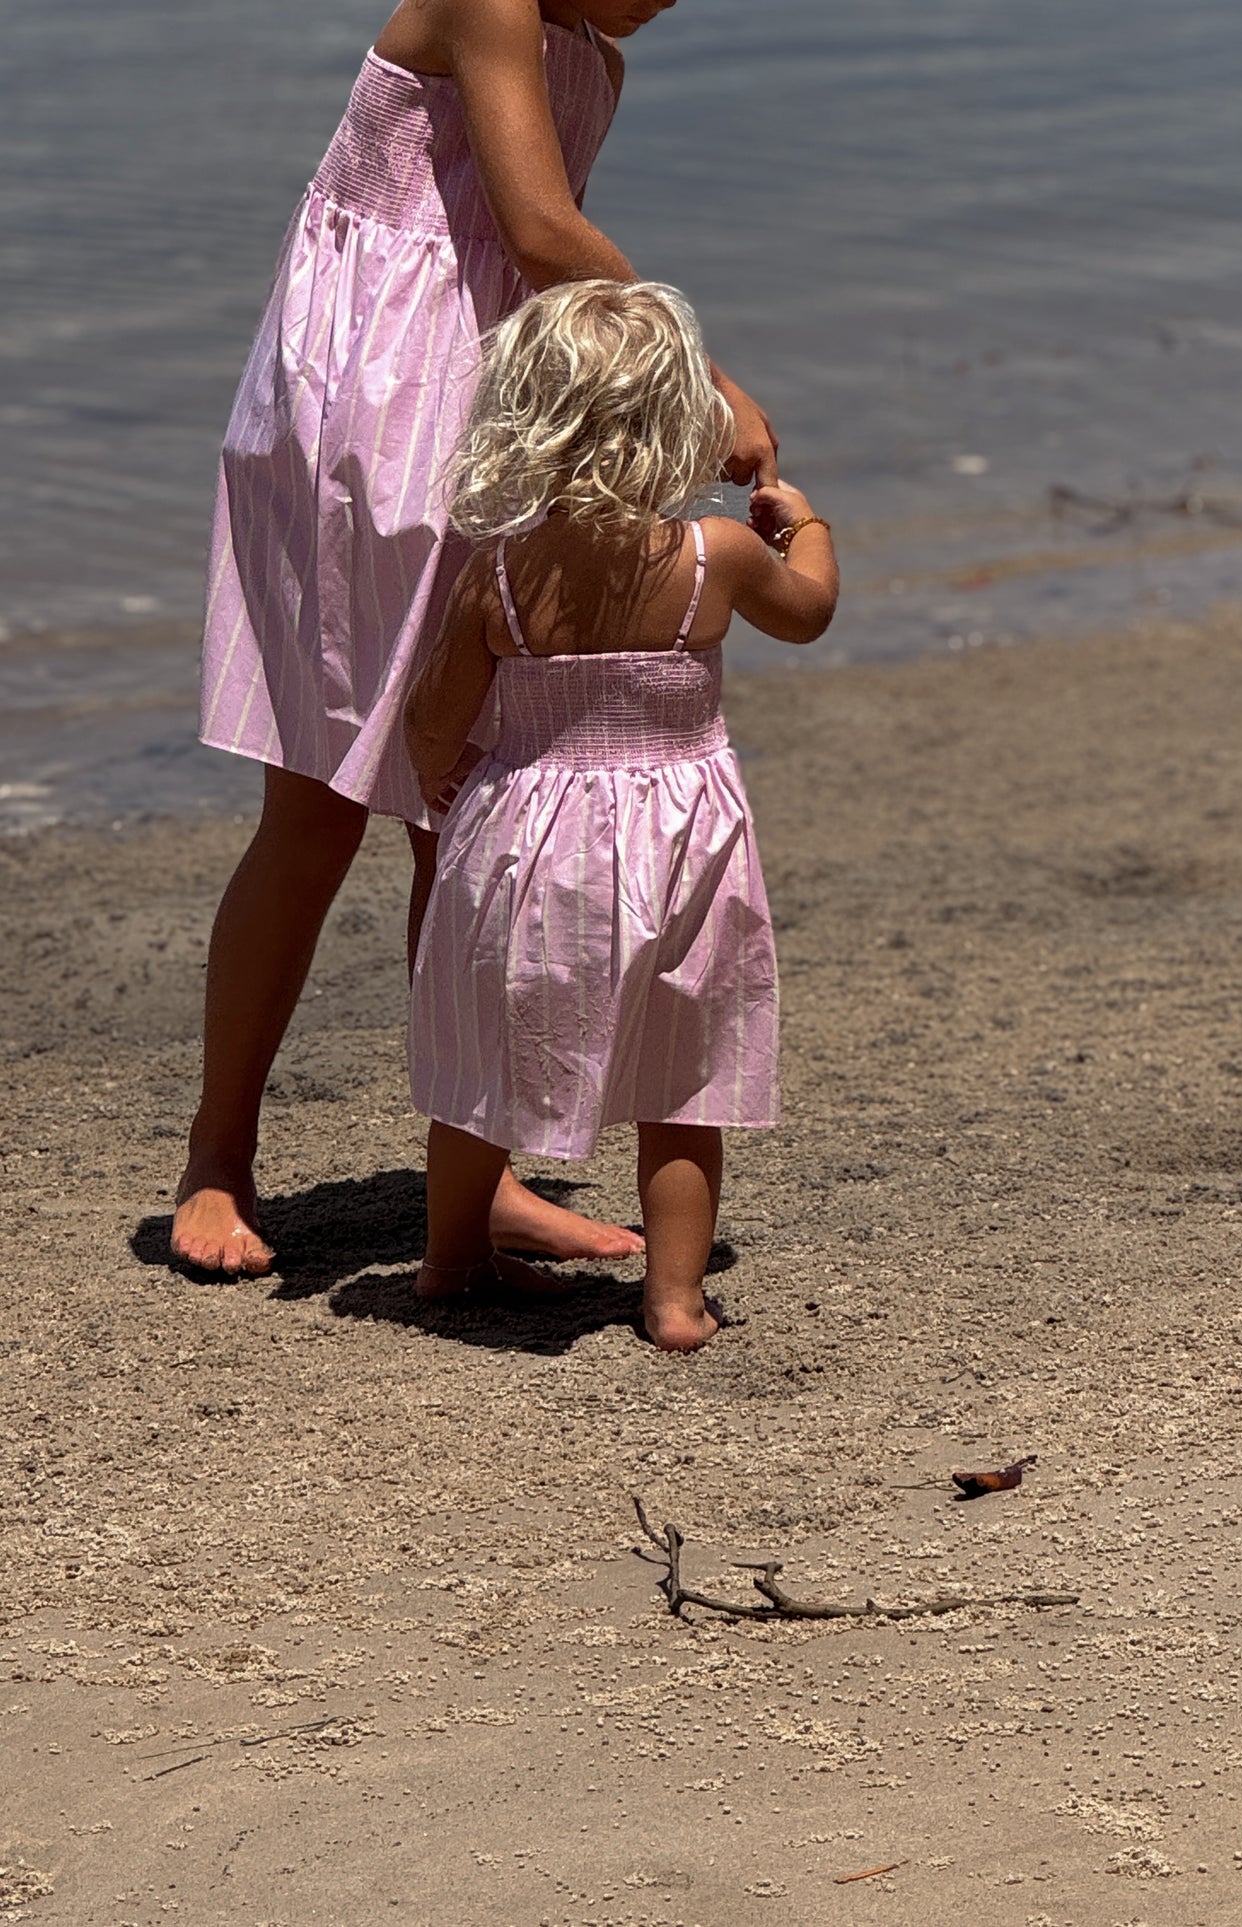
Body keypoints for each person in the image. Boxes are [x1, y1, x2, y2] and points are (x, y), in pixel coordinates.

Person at [172, 0, 779, 1279]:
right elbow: (540, 230)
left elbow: (532, 265)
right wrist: (699, 379)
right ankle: (216, 1159)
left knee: (468, 806)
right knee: (316, 799)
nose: (666, 5)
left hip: (489, 397)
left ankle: (478, 1170)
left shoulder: (589, 49)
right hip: (368, 401)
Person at [404, 279, 837, 1349]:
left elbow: (430, 723)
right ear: (675, 416)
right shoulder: (713, 558)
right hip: (682, 840)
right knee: (685, 1071)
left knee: (484, 1066)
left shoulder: (497, 572)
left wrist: (453, 783)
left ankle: (451, 1261)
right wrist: (803, 521)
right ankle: (676, 1299)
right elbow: (811, 612)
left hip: (525, 840)